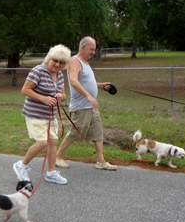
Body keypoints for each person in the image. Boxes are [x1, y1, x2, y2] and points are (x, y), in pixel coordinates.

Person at [55, 36, 117, 170]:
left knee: (97, 131)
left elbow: (87, 82)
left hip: (91, 107)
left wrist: (100, 85)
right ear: (83, 47)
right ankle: (57, 156)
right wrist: (89, 96)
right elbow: (73, 81)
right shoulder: (74, 61)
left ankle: (101, 161)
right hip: (81, 107)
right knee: (76, 132)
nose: (94, 52)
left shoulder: (86, 63)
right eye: (92, 49)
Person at [13, 44, 71, 185]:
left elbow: (64, 95)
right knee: (42, 142)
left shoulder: (59, 75)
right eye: (55, 60)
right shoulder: (37, 71)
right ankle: (21, 165)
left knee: (53, 142)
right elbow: (25, 90)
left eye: (61, 62)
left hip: (50, 115)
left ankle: (51, 173)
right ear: (49, 58)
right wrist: (43, 98)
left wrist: (60, 97)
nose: (57, 64)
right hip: (35, 113)